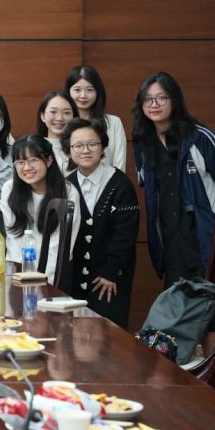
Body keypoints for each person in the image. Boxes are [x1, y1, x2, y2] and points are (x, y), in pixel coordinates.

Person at [131, 72, 215, 288]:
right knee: (181, 306)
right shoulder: (143, 143)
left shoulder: (200, 137)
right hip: (173, 242)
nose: (154, 104)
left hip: (210, 238)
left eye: (162, 98)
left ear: (174, 100)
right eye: (148, 99)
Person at [62, 119, 139, 327]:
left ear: (103, 147)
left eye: (92, 144)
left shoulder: (120, 184)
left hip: (108, 280)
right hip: (74, 279)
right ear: (69, 150)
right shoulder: (66, 185)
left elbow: (125, 233)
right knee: (75, 335)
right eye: (78, 145)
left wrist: (110, 272)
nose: (85, 150)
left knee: (108, 334)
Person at [0, 134, 81, 286]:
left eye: (33, 160)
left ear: (49, 160)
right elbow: (13, 237)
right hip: (19, 273)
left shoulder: (68, 192)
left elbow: (61, 245)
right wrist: (20, 277)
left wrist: (43, 281)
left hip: (54, 275)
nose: (26, 167)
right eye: (20, 162)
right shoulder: (9, 189)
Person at [65, 65, 127, 171]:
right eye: (77, 90)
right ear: (69, 92)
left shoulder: (114, 123)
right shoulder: (63, 123)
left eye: (89, 90)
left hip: (109, 181)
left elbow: (119, 164)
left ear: (98, 92)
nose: (83, 95)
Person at [37, 90, 75, 173]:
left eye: (66, 113)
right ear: (42, 116)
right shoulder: (33, 148)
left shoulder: (82, 148)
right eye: (53, 112)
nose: (59, 118)